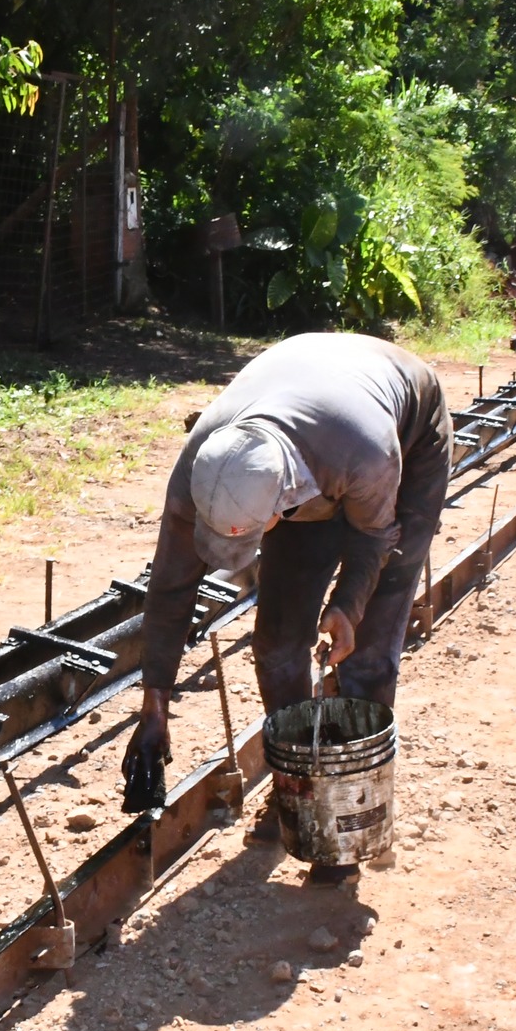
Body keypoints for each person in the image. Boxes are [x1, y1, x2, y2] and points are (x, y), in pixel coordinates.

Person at [120, 334, 452, 883]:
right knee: (275, 646)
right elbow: (170, 588)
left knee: (366, 651)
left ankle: (346, 823)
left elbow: (375, 538)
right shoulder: (201, 472)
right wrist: (155, 702)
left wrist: (347, 606)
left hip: (404, 434)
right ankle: (296, 793)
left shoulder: (365, 455)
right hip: (311, 436)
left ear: (279, 505)